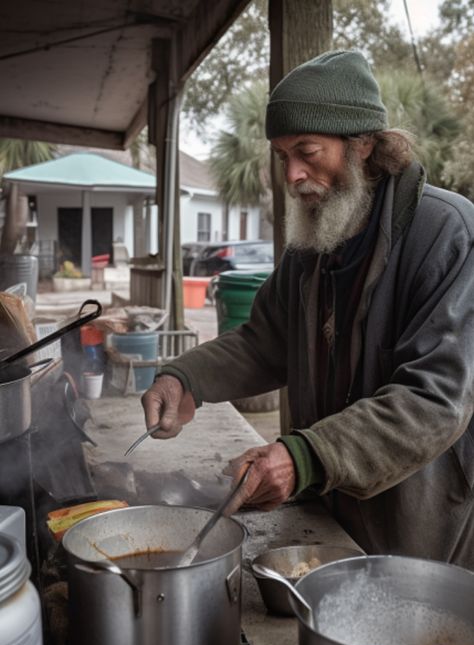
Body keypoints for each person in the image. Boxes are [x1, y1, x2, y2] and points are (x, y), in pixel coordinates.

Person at [142, 49, 474, 570]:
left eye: (308, 151)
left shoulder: (446, 233)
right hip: (332, 506)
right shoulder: (315, 239)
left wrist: (304, 457)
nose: (293, 175)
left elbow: (434, 400)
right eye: (282, 156)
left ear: (364, 144)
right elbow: (264, 342)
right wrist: (186, 378)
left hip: (421, 519)